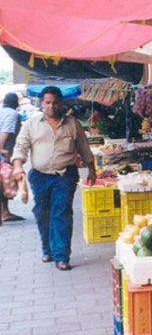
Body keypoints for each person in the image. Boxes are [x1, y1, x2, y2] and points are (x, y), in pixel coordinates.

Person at [11, 86, 96, 270]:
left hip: (65, 175)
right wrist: (18, 166)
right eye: (47, 102)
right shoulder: (31, 124)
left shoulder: (73, 124)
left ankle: (62, 256)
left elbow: (84, 148)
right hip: (39, 176)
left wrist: (92, 169)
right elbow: (21, 146)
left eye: (55, 102)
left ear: (61, 103)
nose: (51, 106)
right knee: (42, 213)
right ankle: (47, 249)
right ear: (41, 103)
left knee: (61, 213)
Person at [0, 92, 23, 222]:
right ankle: (4, 212)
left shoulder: (2, 112)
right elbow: (6, 131)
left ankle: (3, 212)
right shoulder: (11, 114)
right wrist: (1, 148)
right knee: (6, 182)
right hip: (3, 155)